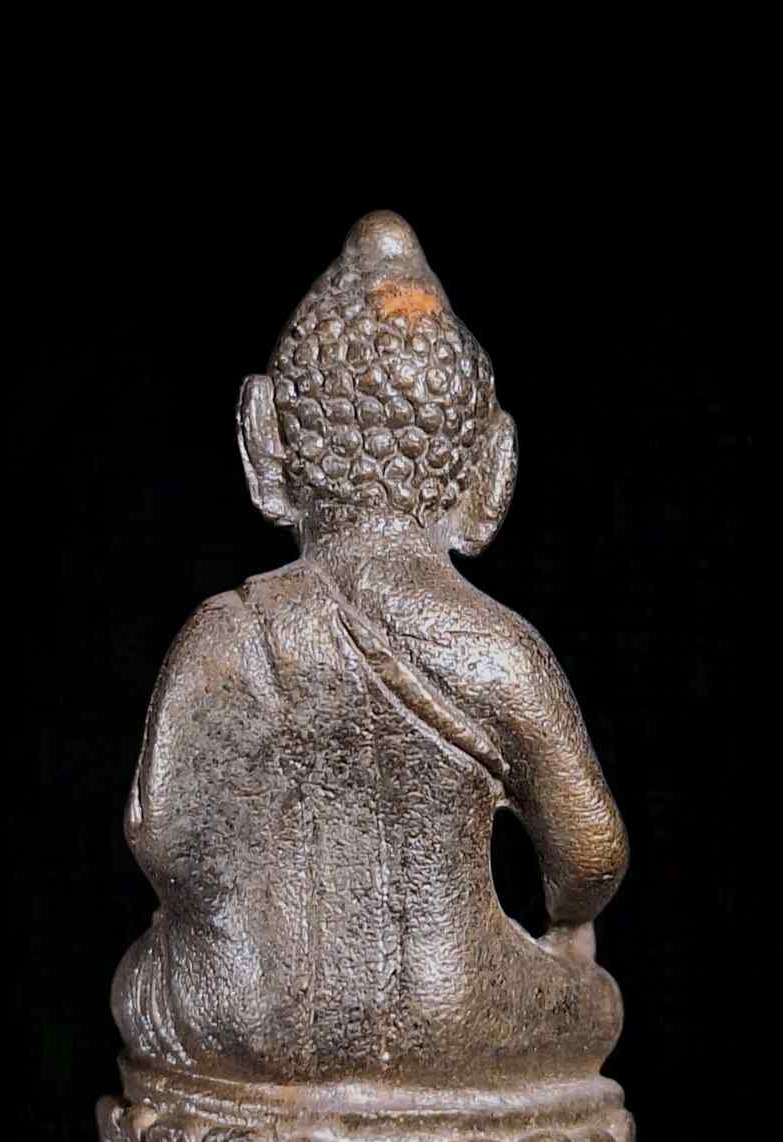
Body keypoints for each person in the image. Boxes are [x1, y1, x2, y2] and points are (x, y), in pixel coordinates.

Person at [112, 212, 628, 1090]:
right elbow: (590, 855)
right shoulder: (498, 652)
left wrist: (219, 925)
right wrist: (567, 922)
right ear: (490, 474)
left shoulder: (225, 635)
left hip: (242, 1011)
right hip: (452, 1004)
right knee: (593, 1001)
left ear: (266, 444)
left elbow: (159, 836)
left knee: (140, 986)